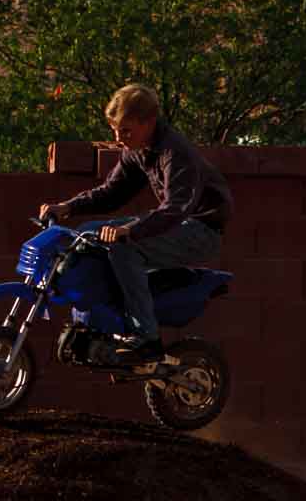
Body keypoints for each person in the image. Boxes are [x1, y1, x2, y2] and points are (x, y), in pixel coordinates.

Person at [37, 84, 233, 362]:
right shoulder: (137, 149)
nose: (118, 138)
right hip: (173, 223)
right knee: (87, 234)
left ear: (149, 122)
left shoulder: (175, 153)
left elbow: (176, 209)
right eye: (115, 129)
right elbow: (111, 193)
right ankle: (98, 324)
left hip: (199, 229)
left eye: (126, 130)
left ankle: (146, 338)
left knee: (124, 247)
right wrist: (68, 207)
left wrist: (131, 231)